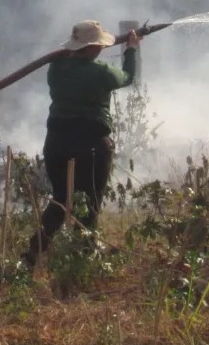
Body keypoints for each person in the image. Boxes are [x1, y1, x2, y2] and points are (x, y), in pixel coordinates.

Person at [22, 20, 140, 268]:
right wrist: (131, 49)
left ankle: (36, 249)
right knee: (90, 202)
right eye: (98, 45)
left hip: (56, 144)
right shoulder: (101, 72)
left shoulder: (55, 68)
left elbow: (70, 62)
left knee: (61, 199)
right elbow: (127, 77)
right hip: (91, 145)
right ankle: (84, 256)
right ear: (92, 48)